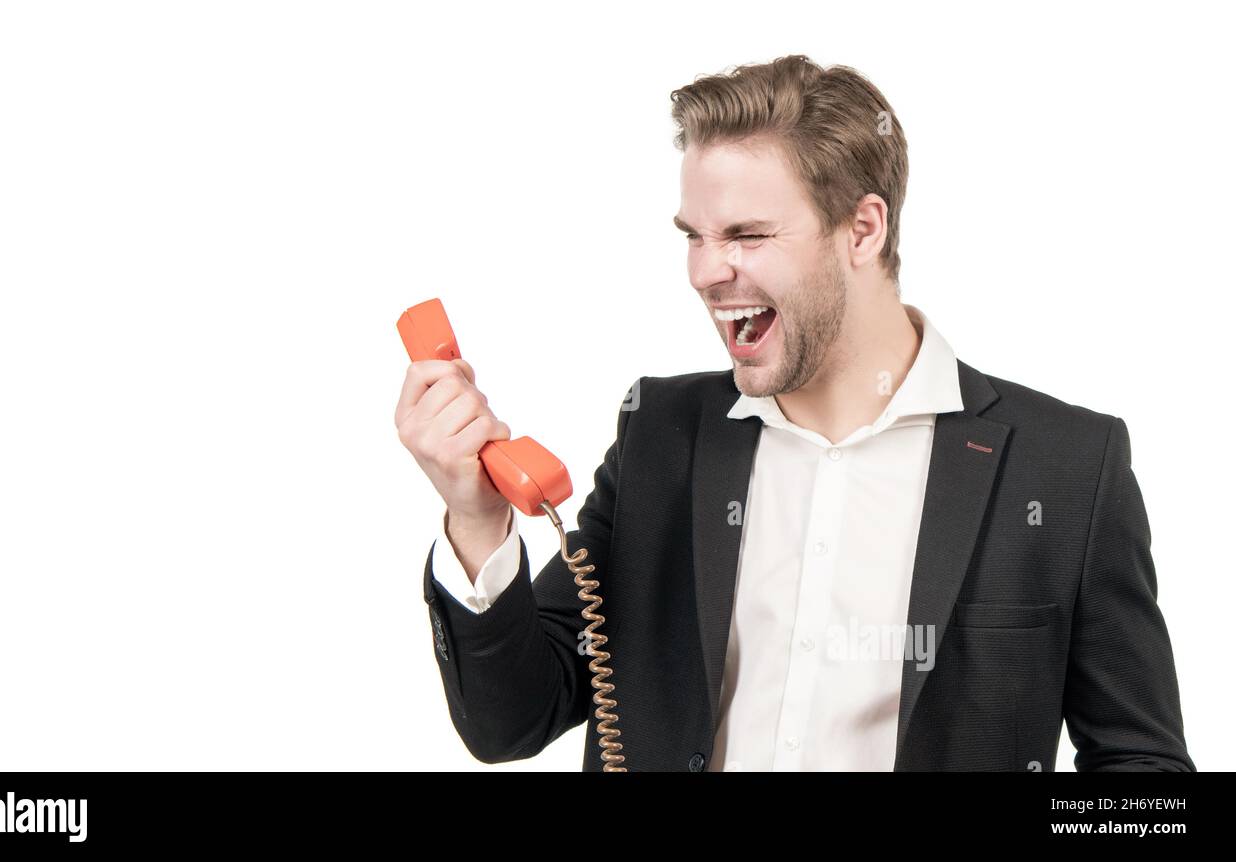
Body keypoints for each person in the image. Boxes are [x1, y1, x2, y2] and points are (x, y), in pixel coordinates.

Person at [393, 54, 1195, 772]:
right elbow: (510, 722)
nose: (707, 271)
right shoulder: (662, 436)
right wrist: (475, 519)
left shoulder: (1065, 466)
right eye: (694, 236)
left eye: (746, 233)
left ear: (863, 229)